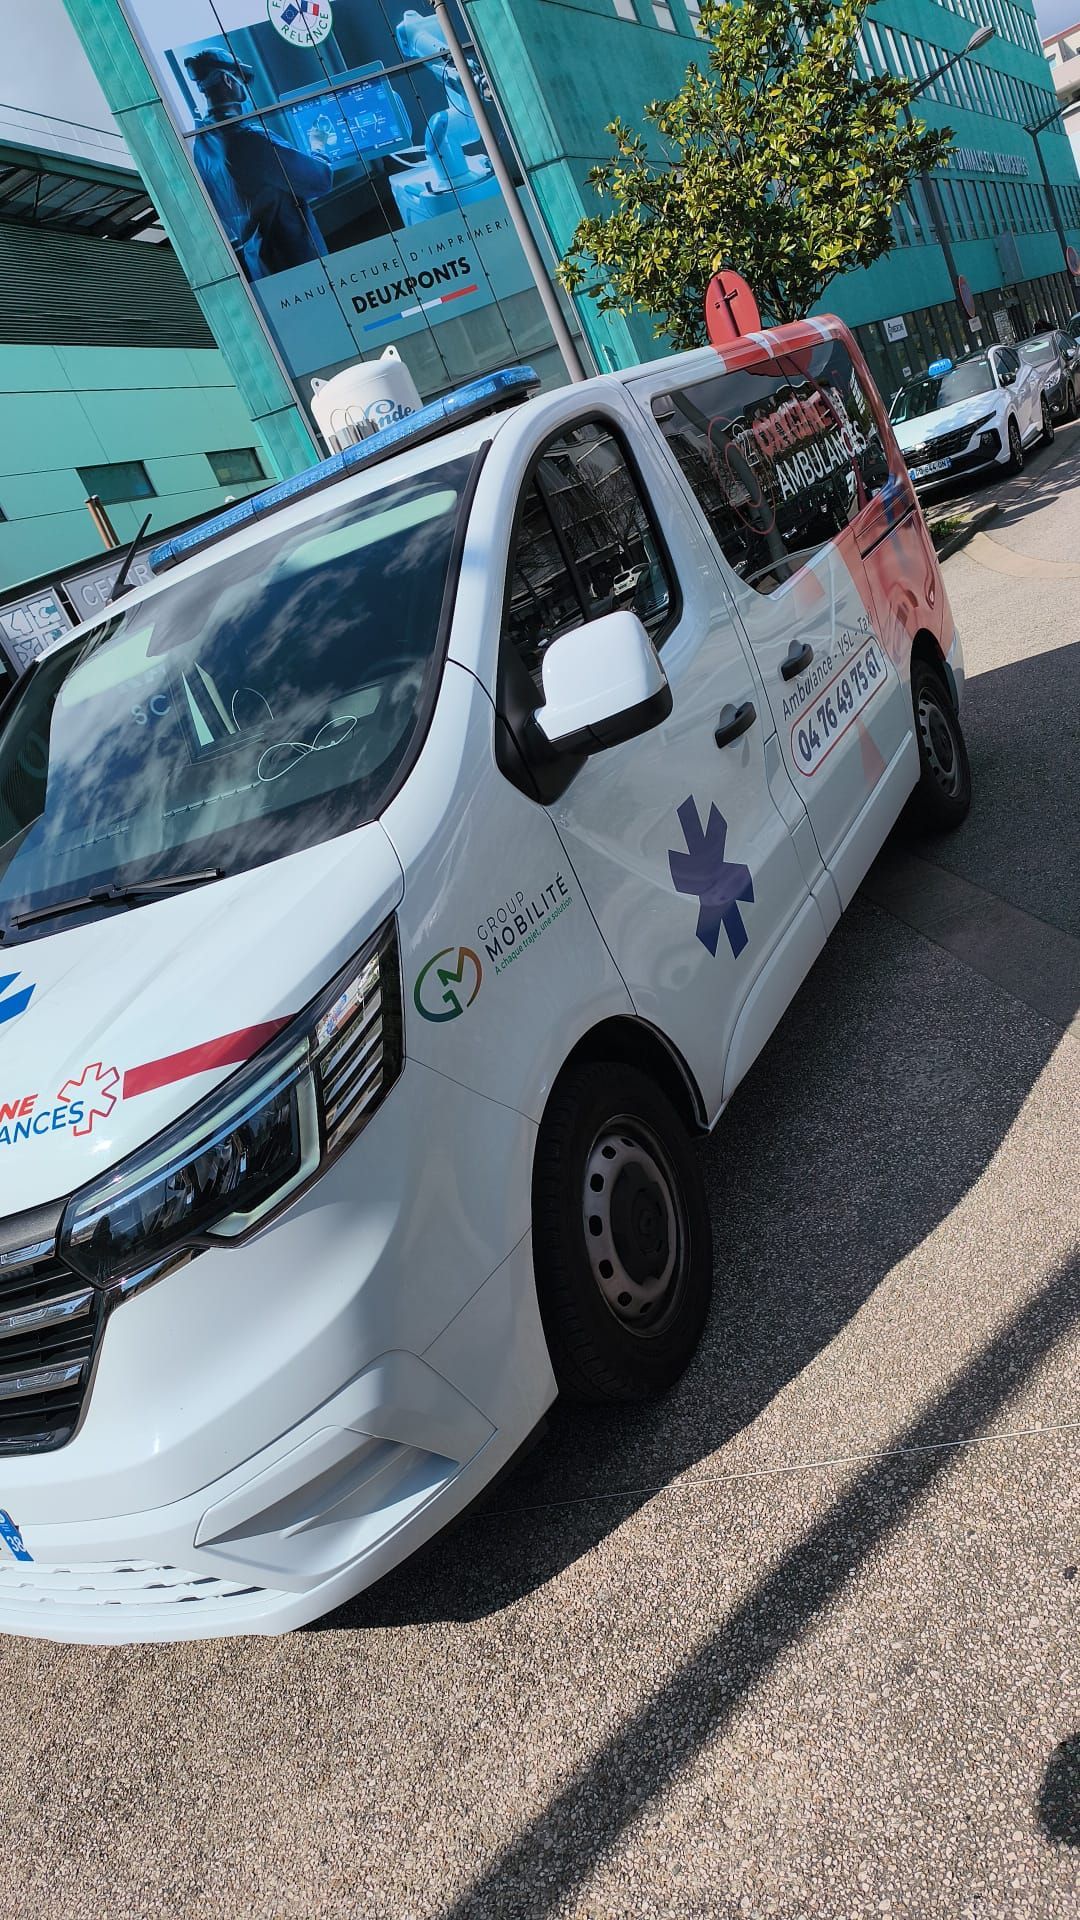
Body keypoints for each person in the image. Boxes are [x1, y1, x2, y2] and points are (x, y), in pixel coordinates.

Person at [185, 46, 333, 280]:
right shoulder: (249, 139)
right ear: (228, 80)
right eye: (241, 79)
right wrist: (319, 147)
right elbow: (319, 180)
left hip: (260, 263)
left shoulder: (203, 144)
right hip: (295, 261)